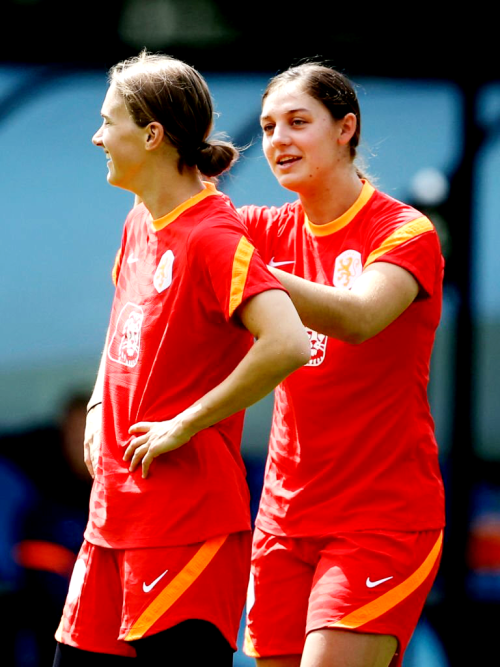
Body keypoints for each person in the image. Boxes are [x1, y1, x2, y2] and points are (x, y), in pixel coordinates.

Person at [53, 52, 310, 666]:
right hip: (113, 515)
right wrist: (95, 403)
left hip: (184, 525)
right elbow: (124, 330)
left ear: (151, 134)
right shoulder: (140, 220)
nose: (96, 136)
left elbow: (289, 342)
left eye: (107, 120)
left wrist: (185, 422)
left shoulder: (212, 236)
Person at [238, 63, 446, 667]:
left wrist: (250, 277)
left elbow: (358, 317)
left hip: (380, 521)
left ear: (345, 129)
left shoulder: (405, 230)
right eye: (269, 126)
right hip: (282, 519)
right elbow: (177, 238)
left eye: (298, 122)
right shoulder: (261, 229)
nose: (279, 140)